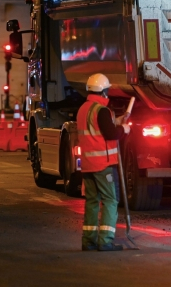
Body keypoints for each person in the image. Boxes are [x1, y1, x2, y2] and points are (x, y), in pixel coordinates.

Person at [77, 73, 130, 251]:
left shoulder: (84, 109)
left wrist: (118, 123)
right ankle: (105, 240)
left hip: (87, 165)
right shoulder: (101, 110)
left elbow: (101, 128)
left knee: (92, 202)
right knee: (110, 201)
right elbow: (111, 134)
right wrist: (124, 128)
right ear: (104, 92)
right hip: (103, 165)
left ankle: (88, 241)